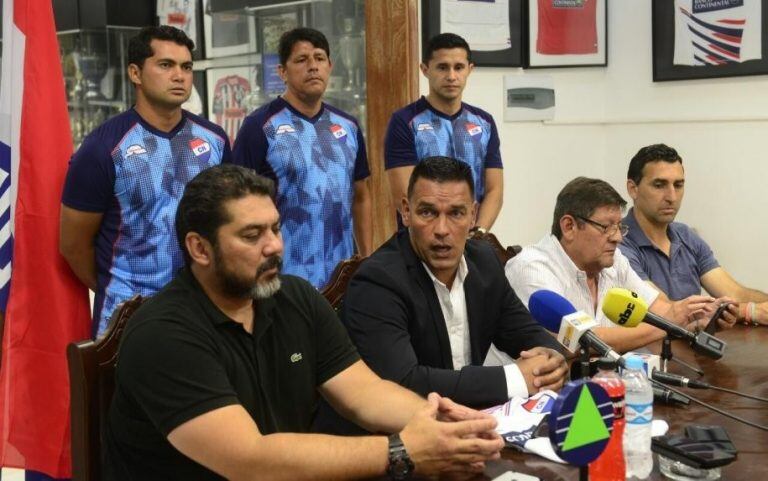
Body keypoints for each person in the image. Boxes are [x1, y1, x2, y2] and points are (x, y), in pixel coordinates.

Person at [103, 164, 504, 481]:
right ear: (200, 249)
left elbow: (365, 393)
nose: (275, 245)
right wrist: (401, 452)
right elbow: (251, 462)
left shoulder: (292, 297)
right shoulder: (164, 335)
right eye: (251, 235)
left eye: (276, 228)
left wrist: (441, 427)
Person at [340, 156, 567, 412]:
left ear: (473, 215)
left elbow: (526, 333)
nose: (442, 229)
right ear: (406, 211)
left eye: (456, 213)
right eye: (428, 212)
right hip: (397, 438)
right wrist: (513, 378)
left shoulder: (485, 262)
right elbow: (403, 382)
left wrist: (551, 360)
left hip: (473, 424)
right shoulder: (378, 281)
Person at [60, 25, 231, 336]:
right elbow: (73, 245)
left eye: (186, 66)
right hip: (127, 320)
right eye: (166, 65)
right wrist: (119, 289)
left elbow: (230, 221)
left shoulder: (215, 141)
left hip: (205, 313)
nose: (179, 75)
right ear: (135, 73)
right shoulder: (102, 148)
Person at [506, 177, 734, 354]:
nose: (618, 238)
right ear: (569, 227)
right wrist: (670, 324)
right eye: (607, 227)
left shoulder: (613, 262)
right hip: (527, 402)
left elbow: (660, 311)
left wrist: (697, 320)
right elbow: (581, 340)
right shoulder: (532, 268)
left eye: (619, 227)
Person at [233, 27, 372, 289]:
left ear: (330, 66)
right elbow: (236, 205)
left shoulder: (349, 127)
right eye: (301, 60)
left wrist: (366, 258)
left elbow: (361, 195)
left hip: (342, 278)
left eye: (319, 58)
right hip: (282, 277)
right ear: (282, 72)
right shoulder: (259, 127)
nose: (313, 67)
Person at [621, 143, 764, 325]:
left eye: (678, 185)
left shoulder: (685, 235)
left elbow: (735, 294)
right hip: (648, 351)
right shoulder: (618, 243)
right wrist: (749, 311)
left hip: (693, 348)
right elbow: (666, 311)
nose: (671, 196)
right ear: (633, 189)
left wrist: (759, 306)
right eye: (659, 185)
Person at [384, 33, 503, 231]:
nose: (451, 76)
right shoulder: (404, 121)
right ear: (425, 70)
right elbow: (405, 196)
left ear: (469, 70)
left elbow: (494, 190)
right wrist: (442, 233)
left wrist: (478, 234)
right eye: (442, 67)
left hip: (473, 240)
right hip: (421, 241)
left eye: (458, 67)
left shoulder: (485, 123)